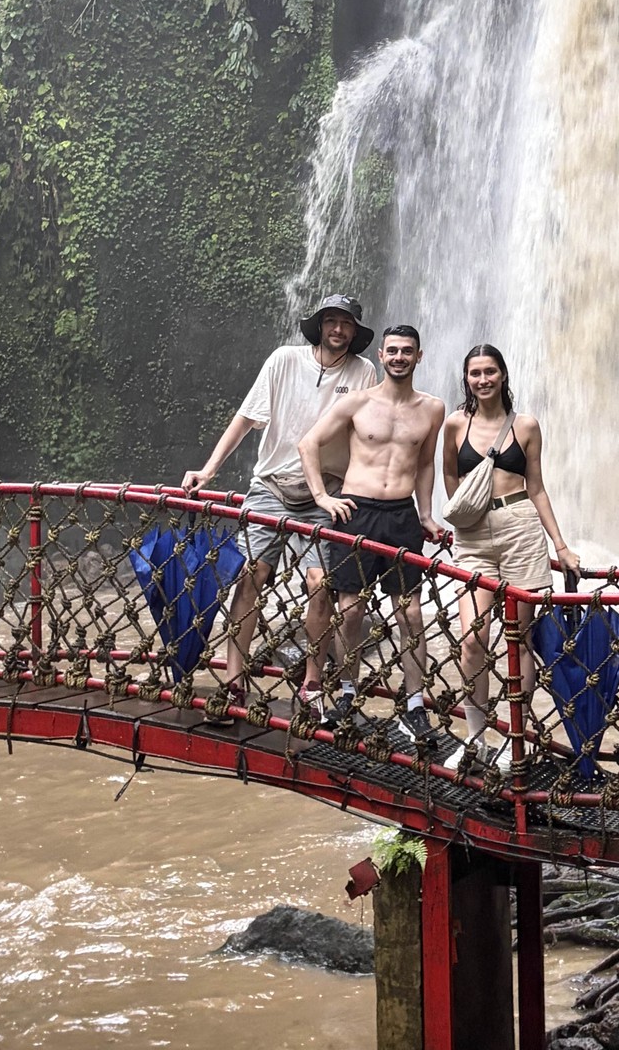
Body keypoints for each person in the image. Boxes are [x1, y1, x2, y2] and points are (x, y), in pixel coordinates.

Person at [182, 294, 377, 719]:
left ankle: (311, 684)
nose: (338, 330)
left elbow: (370, 438)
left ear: (355, 332)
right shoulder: (284, 360)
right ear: (319, 326)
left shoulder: (364, 372)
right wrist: (208, 470)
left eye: (345, 324)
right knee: (251, 575)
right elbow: (246, 418)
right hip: (271, 486)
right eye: (331, 322)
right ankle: (234, 682)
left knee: (320, 583)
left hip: (326, 492)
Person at [298, 325, 445, 745]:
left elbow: (425, 464)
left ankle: (414, 705)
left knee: (410, 613)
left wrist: (428, 514)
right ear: (381, 355)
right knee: (350, 611)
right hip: (356, 512)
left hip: (401, 516)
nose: (399, 357)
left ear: (419, 357)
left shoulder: (432, 409)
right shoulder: (358, 402)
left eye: (408, 351)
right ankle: (346, 693)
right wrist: (324, 497)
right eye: (393, 350)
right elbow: (308, 444)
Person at [441, 343, 580, 770]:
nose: (482, 380)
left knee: (517, 641)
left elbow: (536, 486)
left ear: (503, 374)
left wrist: (560, 545)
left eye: (489, 372)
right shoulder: (454, 425)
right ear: (466, 379)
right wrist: (463, 511)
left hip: (520, 530)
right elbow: (450, 473)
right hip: (474, 539)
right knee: (472, 640)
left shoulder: (526, 426)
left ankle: (514, 739)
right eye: (474, 373)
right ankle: (477, 737)